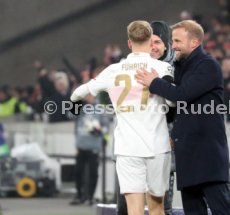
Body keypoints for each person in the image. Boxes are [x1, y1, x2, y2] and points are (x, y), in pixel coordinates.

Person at [70, 20, 173, 215]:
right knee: (157, 208)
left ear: (129, 43)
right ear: (151, 42)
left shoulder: (113, 70)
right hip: (158, 147)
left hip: (127, 148)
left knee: (133, 210)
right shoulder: (162, 69)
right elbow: (173, 102)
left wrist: (74, 104)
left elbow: (78, 93)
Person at [136, 20, 230, 215]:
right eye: (173, 40)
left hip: (208, 154)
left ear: (195, 42)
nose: (174, 45)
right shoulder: (181, 67)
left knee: (221, 211)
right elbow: (175, 108)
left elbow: (182, 95)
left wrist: (154, 82)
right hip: (186, 153)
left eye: (178, 40)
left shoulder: (208, 65)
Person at [115, 20, 176, 215]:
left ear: (166, 45)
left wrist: (173, 134)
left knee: (160, 204)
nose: (153, 46)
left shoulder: (174, 71)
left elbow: (180, 105)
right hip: (132, 148)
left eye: (157, 42)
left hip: (161, 148)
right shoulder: (128, 69)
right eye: (150, 41)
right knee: (126, 206)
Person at [70, 94, 108, 206]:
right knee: (78, 172)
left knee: (93, 173)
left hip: (94, 146)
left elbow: (106, 126)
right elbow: (70, 116)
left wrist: (100, 130)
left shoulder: (100, 108)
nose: (88, 97)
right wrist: (77, 104)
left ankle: (90, 197)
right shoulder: (81, 107)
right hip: (81, 145)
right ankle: (79, 195)